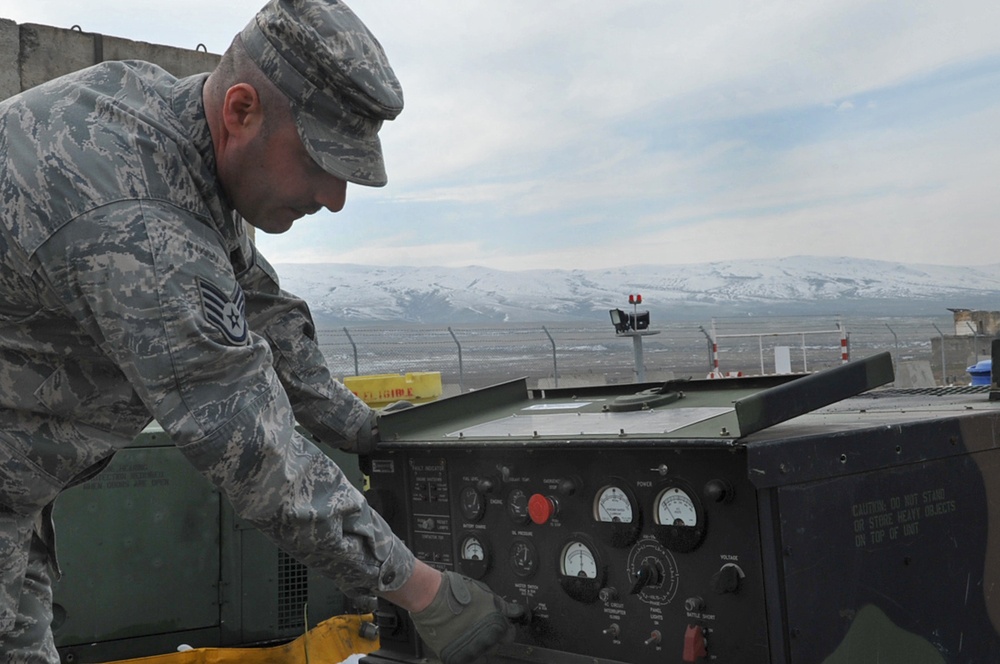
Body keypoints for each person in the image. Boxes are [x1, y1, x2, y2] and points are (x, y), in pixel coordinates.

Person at [0, 0, 525, 662]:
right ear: (241, 111)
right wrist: (424, 593)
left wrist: (368, 431)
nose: (334, 197)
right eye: (319, 160)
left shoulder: (167, 133)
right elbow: (251, 448)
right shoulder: (137, 221)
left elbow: (259, 305)